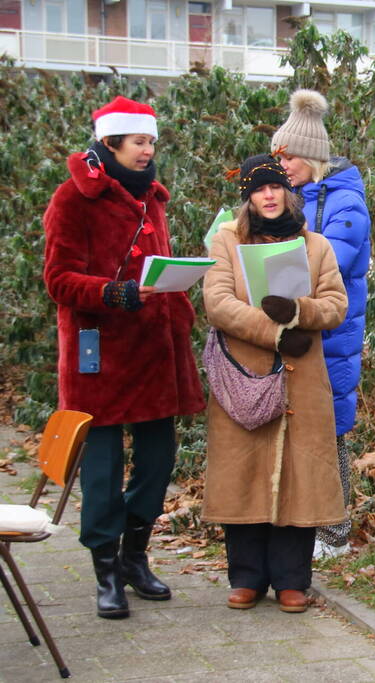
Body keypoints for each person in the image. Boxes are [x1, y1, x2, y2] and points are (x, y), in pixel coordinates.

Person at [43, 96, 206, 619]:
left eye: (151, 141)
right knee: (101, 471)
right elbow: (58, 280)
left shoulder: (153, 198)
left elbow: (156, 264)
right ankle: (105, 571)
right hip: (100, 356)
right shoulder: (72, 199)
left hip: (156, 352)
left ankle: (135, 557)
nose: (148, 150)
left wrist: (177, 296)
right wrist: (117, 294)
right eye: (139, 141)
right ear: (109, 144)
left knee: (158, 464)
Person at [202, 154, 348, 613]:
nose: (268, 196)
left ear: (288, 192)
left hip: (303, 381)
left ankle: (292, 580)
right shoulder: (226, 241)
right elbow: (218, 303)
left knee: (299, 477)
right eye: (258, 189)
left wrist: (300, 312)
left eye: (275, 187)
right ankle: (246, 578)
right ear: (247, 196)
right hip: (244, 377)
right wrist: (278, 331)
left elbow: (335, 304)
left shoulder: (316, 245)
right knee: (242, 473)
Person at [272, 89, 371, 559]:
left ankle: (334, 532)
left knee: (329, 430)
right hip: (296, 327)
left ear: (311, 157)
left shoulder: (345, 202)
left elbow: (328, 264)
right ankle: (303, 523)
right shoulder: (298, 198)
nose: (282, 164)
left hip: (331, 333)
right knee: (302, 429)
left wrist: (275, 274)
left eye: (287, 156)